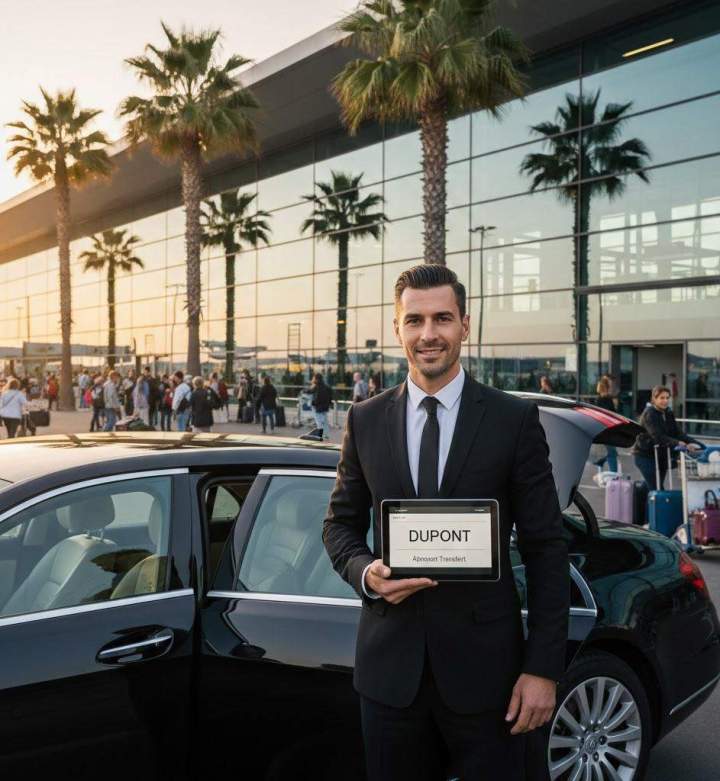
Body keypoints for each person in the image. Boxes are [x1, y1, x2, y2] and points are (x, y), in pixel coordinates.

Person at [323, 264, 569, 781]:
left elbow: (546, 547)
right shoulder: (365, 420)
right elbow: (339, 527)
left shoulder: (513, 420)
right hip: (390, 678)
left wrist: (542, 668)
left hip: (490, 680)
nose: (428, 334)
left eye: (442, 319)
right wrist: (367, 573)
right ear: (397, 329)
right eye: (414, 320)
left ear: (465, 325)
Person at [632, 384, 704, 491]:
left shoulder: (668, 412)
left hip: (660, 455)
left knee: (651, 487)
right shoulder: (649, 414)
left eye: (667, 398)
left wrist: (700, 445)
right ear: (654, 399)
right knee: (656, 488)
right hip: (645, 456)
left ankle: (639, 505)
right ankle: (654, 507)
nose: (665, 401)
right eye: (661, 398)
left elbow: (679, 433)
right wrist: (677, 443)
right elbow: (657, 436)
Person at [592, 377, 618, 473]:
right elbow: (612, 414)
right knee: (612, 453)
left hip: (602, 428)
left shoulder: (599, 400)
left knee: (608, 452)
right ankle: (614, 474)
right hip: (607, 429)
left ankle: (601, 466)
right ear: (607, 388)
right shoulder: (606, 400)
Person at [311, 373, 332, 439]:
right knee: (325, 421)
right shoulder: (326, 386)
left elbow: (317, 397)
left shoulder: (316, 386)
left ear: (316, 379)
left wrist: (313, 403)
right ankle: (326, 435)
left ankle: (320, 436)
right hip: (325, 407)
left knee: (319, 422)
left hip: (318, 407)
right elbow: (330, 396)